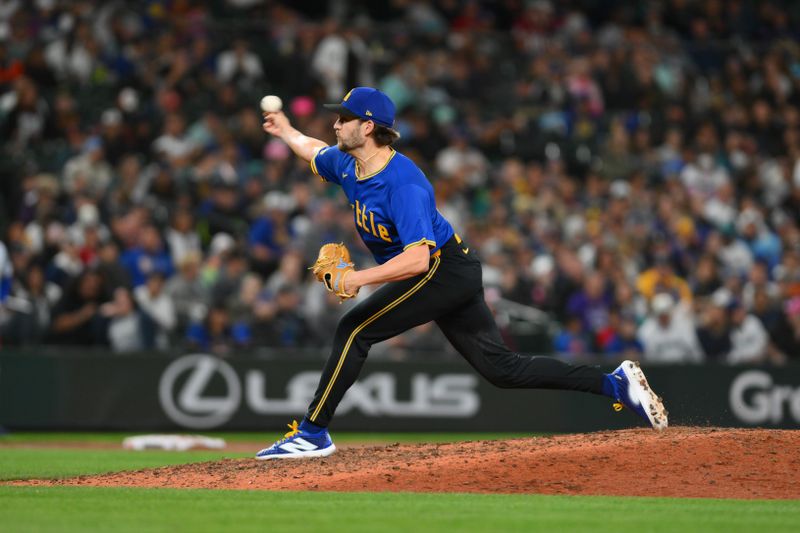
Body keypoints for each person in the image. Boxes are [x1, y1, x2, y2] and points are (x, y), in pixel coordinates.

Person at [255, 87, 668, 460]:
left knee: (355, 328)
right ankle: (615, 385)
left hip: (440, 270)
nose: (335, 124)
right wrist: (286, 129)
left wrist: (355, 280)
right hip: (451, 271)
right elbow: (312, 149)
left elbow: (418, 260)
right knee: (502, 370)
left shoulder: (403, 184)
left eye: (343, 118)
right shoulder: (347, 164)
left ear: (367, 127)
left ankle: (312, 433)